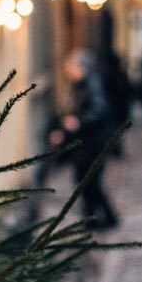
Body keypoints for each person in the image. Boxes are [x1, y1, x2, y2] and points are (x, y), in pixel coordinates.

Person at [51, 50, 120, 229]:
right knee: (85, 181)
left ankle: (105, 218)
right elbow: (73, 111)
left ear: (80, 67)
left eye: (70, 66)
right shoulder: (79, 85)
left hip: (94, 142)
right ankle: (93, 218)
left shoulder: (91, 84)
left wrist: (78, 122)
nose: (67, 70)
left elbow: (99, 110)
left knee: (90, 181)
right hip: (86, 142)